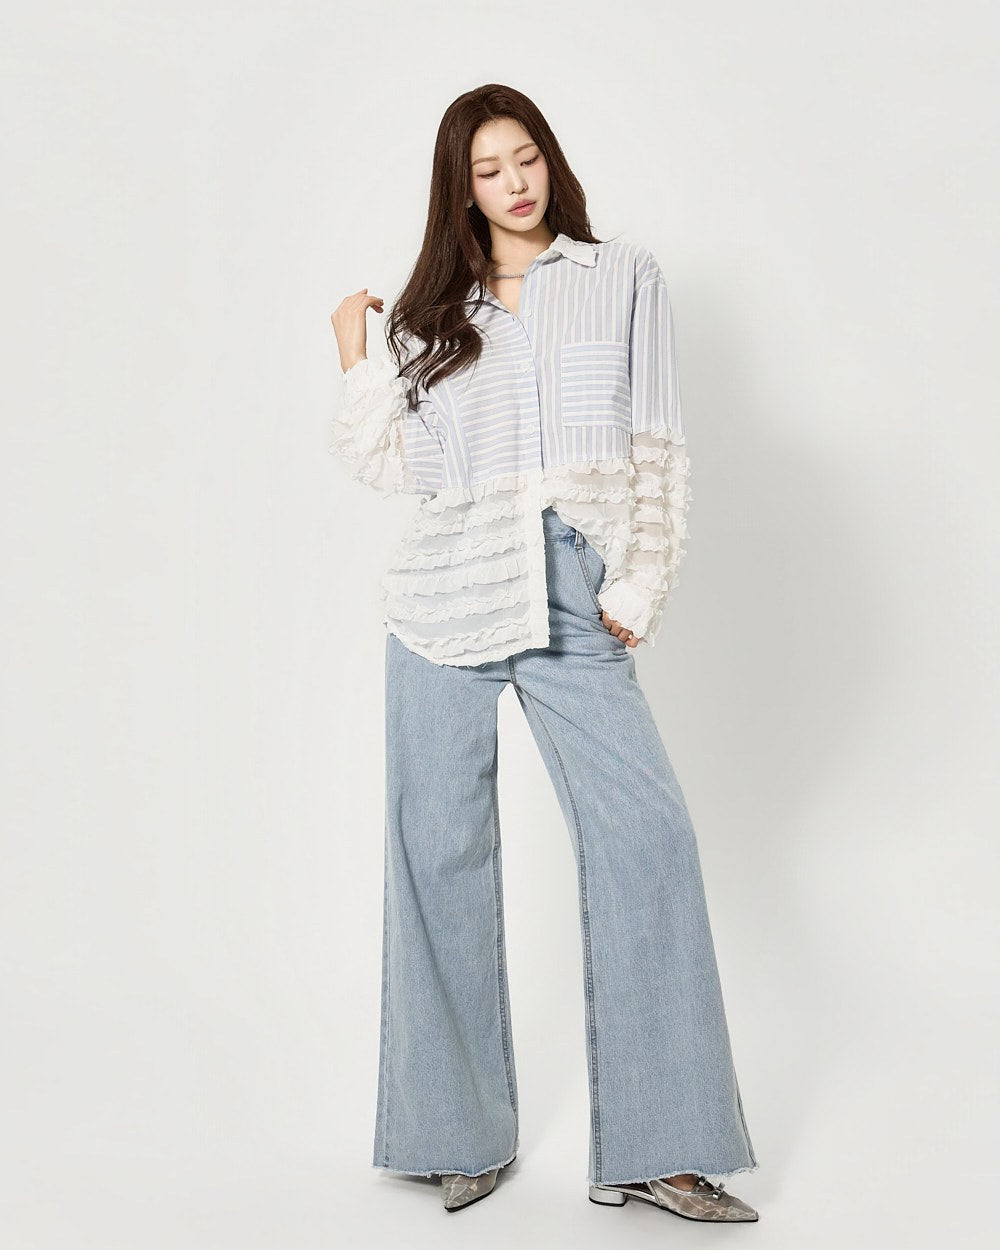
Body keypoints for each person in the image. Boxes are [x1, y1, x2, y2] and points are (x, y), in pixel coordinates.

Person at [328, 84, 760, 1222]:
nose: (513, 183)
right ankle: (451, 1132)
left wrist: (641, 578)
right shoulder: (432, 315)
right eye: (487, 169)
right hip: (444, 595)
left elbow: (656, 441)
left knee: (647, 836)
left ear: (549, 161)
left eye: (524, 158)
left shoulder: (622, 277)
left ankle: (663, 1148)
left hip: (573, 588)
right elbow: (398, 468)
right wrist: (357, 356)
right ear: (460, 189)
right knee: (437, 851)